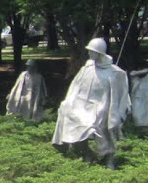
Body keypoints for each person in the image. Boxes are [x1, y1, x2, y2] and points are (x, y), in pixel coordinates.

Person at [51, 37, 130, 167]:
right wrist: (68, 102)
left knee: (98, 123)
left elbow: (119, 96)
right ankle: (87, 153)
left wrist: (117, 113)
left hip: (102, 107)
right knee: (69, 115)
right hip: (82, 106)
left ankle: (109, 157)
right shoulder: (86, 69)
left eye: (92, 51)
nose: (89, 53)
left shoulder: (114, 73)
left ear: (99, 53)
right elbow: (75, 88)